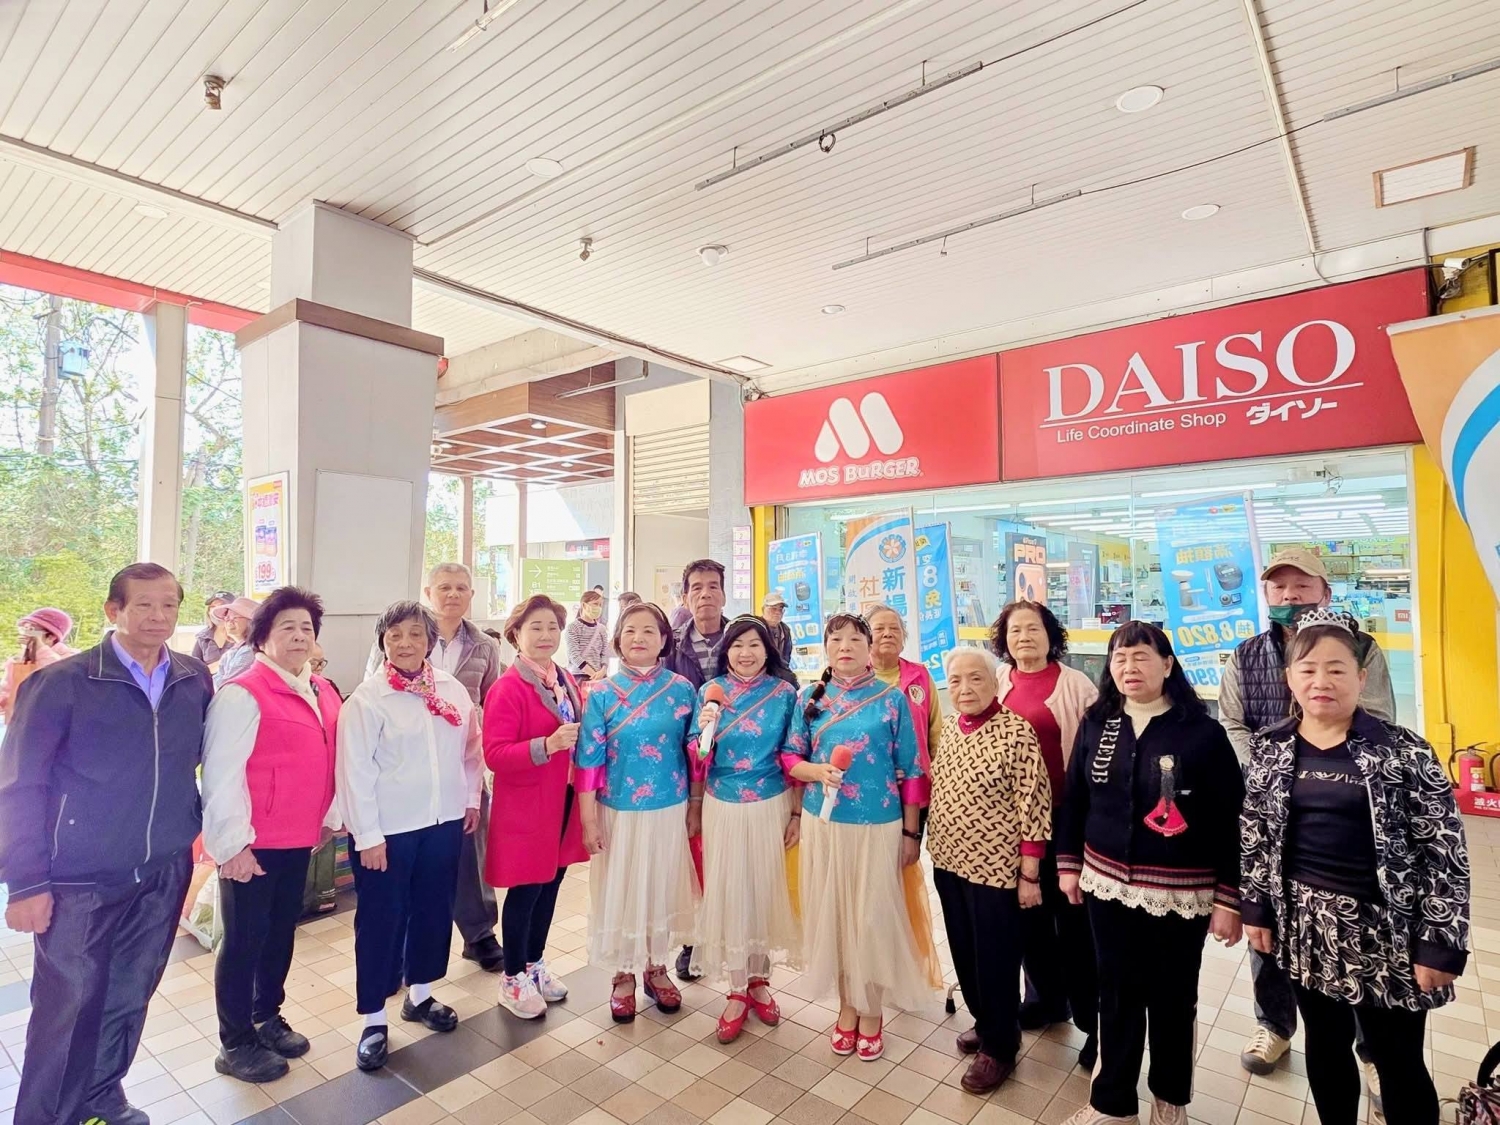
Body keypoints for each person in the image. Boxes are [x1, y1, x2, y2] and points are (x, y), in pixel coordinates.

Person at [0, 563, 211, 1125]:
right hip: (80, 877)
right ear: (113, 611)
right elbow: (18, 785)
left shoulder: (193, 677)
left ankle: (100, 1099)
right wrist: (26, 883)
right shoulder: (62, 683)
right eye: (144, 604)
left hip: (162, 870)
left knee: (129, 994)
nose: (158, 616)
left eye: (169, 605)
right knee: (66, 1009)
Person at [1240, 610, 1469, 1125]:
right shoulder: (1271, 747)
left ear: (1361, 678)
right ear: (1290, 679)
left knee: (1398, 1059)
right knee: (1325, 1045)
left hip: (1387, 933)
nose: (1321, 681)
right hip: (1305, 926)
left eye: (1336, 669)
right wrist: (1256, 909)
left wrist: (1439, 942)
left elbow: (1445, 852)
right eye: (1308, 670)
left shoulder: (1403, 751)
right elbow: (1255, 835)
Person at [1221, 548, 1397, 1080]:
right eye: (1279, 587)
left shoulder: (1362, 650)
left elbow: (1380, 719)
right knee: (1268, 922)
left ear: (1325, 591)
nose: (1290, 596)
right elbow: (1233, 724)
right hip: (1272, 816)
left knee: (1358, 930)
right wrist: (1273, 772)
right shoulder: (1245, 656)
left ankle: (1371, 1049)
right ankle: (1274, 1024)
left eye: (1301, 585)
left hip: (1345, 816)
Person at [1058, 622, 1244, 1125]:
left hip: (1180, 893)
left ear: (1167, 664)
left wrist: (1229, 899)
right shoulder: (1099, 722)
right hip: (1105, 885)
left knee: (1173, 998)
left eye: (1141, 656)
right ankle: (1113, 1104)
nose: (1129, 667)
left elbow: (1231, 819)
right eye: (1119, 658)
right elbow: (1075, 796)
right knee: (1115, 993)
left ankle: (1170, 1099)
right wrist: (1069, 864)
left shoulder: (1202, 733)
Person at [201, 586, 342, 1084]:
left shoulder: (321, 690)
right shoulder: (243, 693)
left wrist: (328, 816)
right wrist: (232, 846)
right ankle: (235, 1040)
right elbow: (221, 775)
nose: (299, 636)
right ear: (261, 636)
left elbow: (331, 758)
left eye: (306, 628)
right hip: (253, 845)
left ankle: (266, 1015)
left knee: (280, 931)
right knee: (244, 940)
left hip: (299, 839)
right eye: (287, 627)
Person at [336, 601, 483, 1072]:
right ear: (382, 642)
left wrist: (471, 799)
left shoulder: (451, 690)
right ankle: (373, 1019)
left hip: (444, 822)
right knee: (381, 920)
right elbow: (353, 772)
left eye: (416, 634)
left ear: (430, 641)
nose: (405, 643)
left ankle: (420, 995)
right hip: (388, 832)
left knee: (433, 911)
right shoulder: (367, 700)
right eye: (395, 635)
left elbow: (471, 751)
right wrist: (367, 835)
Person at [782, 613, 932, 1062]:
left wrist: (911, 832)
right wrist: (815, 771)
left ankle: (872, 1010)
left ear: (869, 649)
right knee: (835, 918)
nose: (844, 646)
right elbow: (790, 757)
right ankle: (847, 1007)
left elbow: (912, 770)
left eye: (854, 639)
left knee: (872, 918)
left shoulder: (892, 699)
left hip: (879, 824)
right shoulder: (808, 698)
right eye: (836, 639)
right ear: (826, 648)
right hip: (823, 824)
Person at [364, 563, 507, 972]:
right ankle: (403, 948)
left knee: (470, 851)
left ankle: (479, 933)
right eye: (444, 587)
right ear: (429, 592)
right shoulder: (400, 635)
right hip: (406, 763)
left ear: (471, 595)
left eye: (461, 588)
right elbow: (373, 688)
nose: (453, 594)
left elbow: (493, 699)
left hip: (461, 761)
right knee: (410, 860)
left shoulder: (484, 645)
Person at [929, 646, 1050, 1093]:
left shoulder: (1017, 731)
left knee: (996, 958)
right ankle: (986, 1022)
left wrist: (1030, 874)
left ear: (994, 682)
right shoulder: (952, 728)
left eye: (975, 678)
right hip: (949, 861)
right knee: (964, 951)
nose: (965, 689)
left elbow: (1034, 804)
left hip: (996, 871)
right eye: (956, 680)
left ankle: (1000, 1046)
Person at [574, 601, 699, 1023]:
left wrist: (696, 801)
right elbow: (588, 759)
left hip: (669, 807)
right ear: (617, 640)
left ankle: (656, 967)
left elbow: (695, 752)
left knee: (660, 886)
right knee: (622, 889)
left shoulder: (683, 690)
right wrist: (588, 820)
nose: (639, 638)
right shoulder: (601, 693)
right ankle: (623, 974)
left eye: (649, 630)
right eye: (630, 630)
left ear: (664, 640)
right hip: (618, 810)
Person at [991, 600, 1101, 1068]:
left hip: (1065, 821)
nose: (1024, 638)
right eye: (1015, 630)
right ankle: (1046, 1000)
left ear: (1051, 634)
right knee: (1028, 920)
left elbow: (1097, 753)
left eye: (1033, 629)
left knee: (1075, 926)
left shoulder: (1076, 686)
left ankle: (1094, 1024)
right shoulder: (997, 680)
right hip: (1012, 825)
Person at [690, 615, 802, 1042]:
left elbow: (795, 752)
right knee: (732, 892)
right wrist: (705, 732)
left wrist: (796, 814)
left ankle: (759, 980)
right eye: (737, 645)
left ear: (768, 650)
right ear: (726, 652)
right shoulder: (709, 692)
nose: (746, 653)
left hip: (772, 803)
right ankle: (737, 989)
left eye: (754, 644)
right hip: (722, 804)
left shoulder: (785, 694)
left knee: (763, 891)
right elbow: (697, 758)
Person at [482, 594, 589, 1019]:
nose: (546, 635)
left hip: (562, 799)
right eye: (536, 628)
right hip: (527, 805)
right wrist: (547, 745)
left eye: (552, 627)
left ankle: (533, 963)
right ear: (516, 635)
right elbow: (495, 754)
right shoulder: (507, 688)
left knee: (550, 884)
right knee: (525, 889)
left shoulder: (564, 680)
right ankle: (511, 978)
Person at [667, 558, 730, 979]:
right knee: (691, 853)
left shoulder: (744, 638)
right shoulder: (671, 646)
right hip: (683, 764)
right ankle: (693, 940)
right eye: (696, 588)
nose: (705, 594)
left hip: (737, 768)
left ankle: (733, 938)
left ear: (724, 593)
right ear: (685, 596)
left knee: (730, 853)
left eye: (712, 586)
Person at [0, 608, 77, 723]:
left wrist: (40, 648)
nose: (25, 634)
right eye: (24, 628)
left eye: (32, 629)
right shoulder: (19, 661)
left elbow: (56, 676)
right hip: (18, 724)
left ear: (51, 637)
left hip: (50, 724)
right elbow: (6, 691)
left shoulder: (71, 660)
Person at [211, 596, 261, 686]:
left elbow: (226, 684)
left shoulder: (250, 651)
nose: (228, 620)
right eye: (226, 617)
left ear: (250, 622)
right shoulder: (232, 651)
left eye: (234, 617)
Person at [566, 589, 610, 679]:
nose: (598, 608)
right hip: (579, 676)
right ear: (584, 605)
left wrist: (603, 671)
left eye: (600, 605)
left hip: (600, 676)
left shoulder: (601, 629)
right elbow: (574, 655)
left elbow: (605, 653)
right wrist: (593, 674)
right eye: (595, 604)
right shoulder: (573, 627)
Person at [192, 590, 238, 665]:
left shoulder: (243, 634)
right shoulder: (203, 637)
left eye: (221, 606)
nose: (216, 610)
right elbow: (194, 666)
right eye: (213, 607)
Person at [761, 591, 794, 663]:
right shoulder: (756, 627)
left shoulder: (785, 630)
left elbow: (786, 657)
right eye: (773, 608)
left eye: (780, 609)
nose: (777, 612)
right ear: (763, 609)